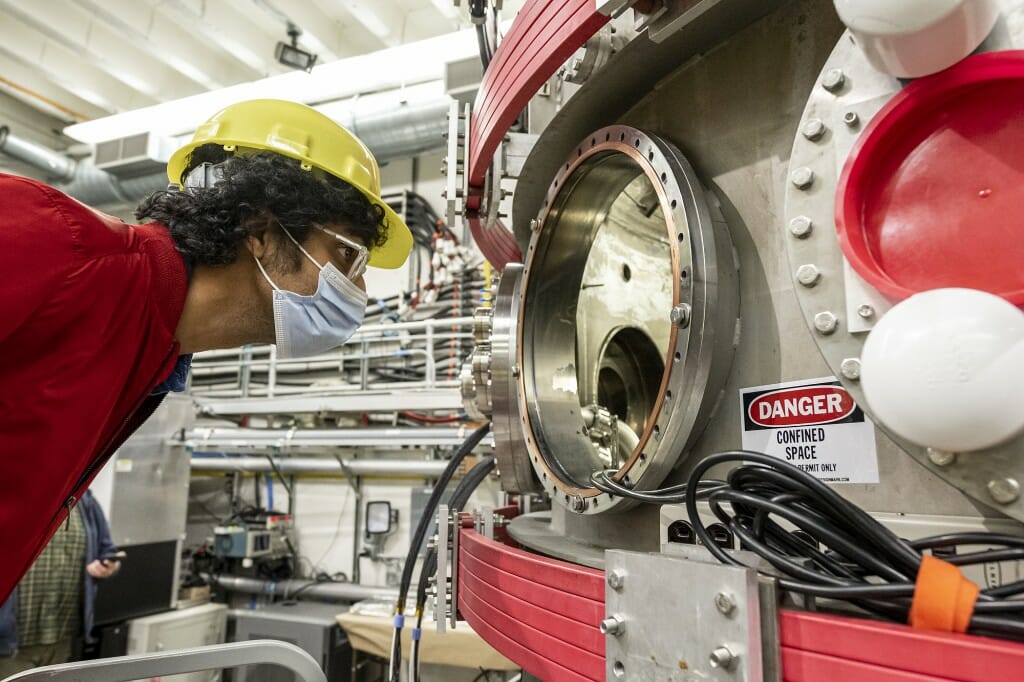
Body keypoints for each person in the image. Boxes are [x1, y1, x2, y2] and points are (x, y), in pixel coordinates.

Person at [0, 99, 414, 602]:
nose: (360, 286)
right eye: (347, 254)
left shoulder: (153, 356)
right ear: (260, 230)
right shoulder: (56, 242)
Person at [0, 490, 123, 674]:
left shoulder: (84, 500)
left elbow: (106, 551)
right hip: (10, 645)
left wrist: (108, 566)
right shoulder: (10, 493)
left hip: (63, 636)